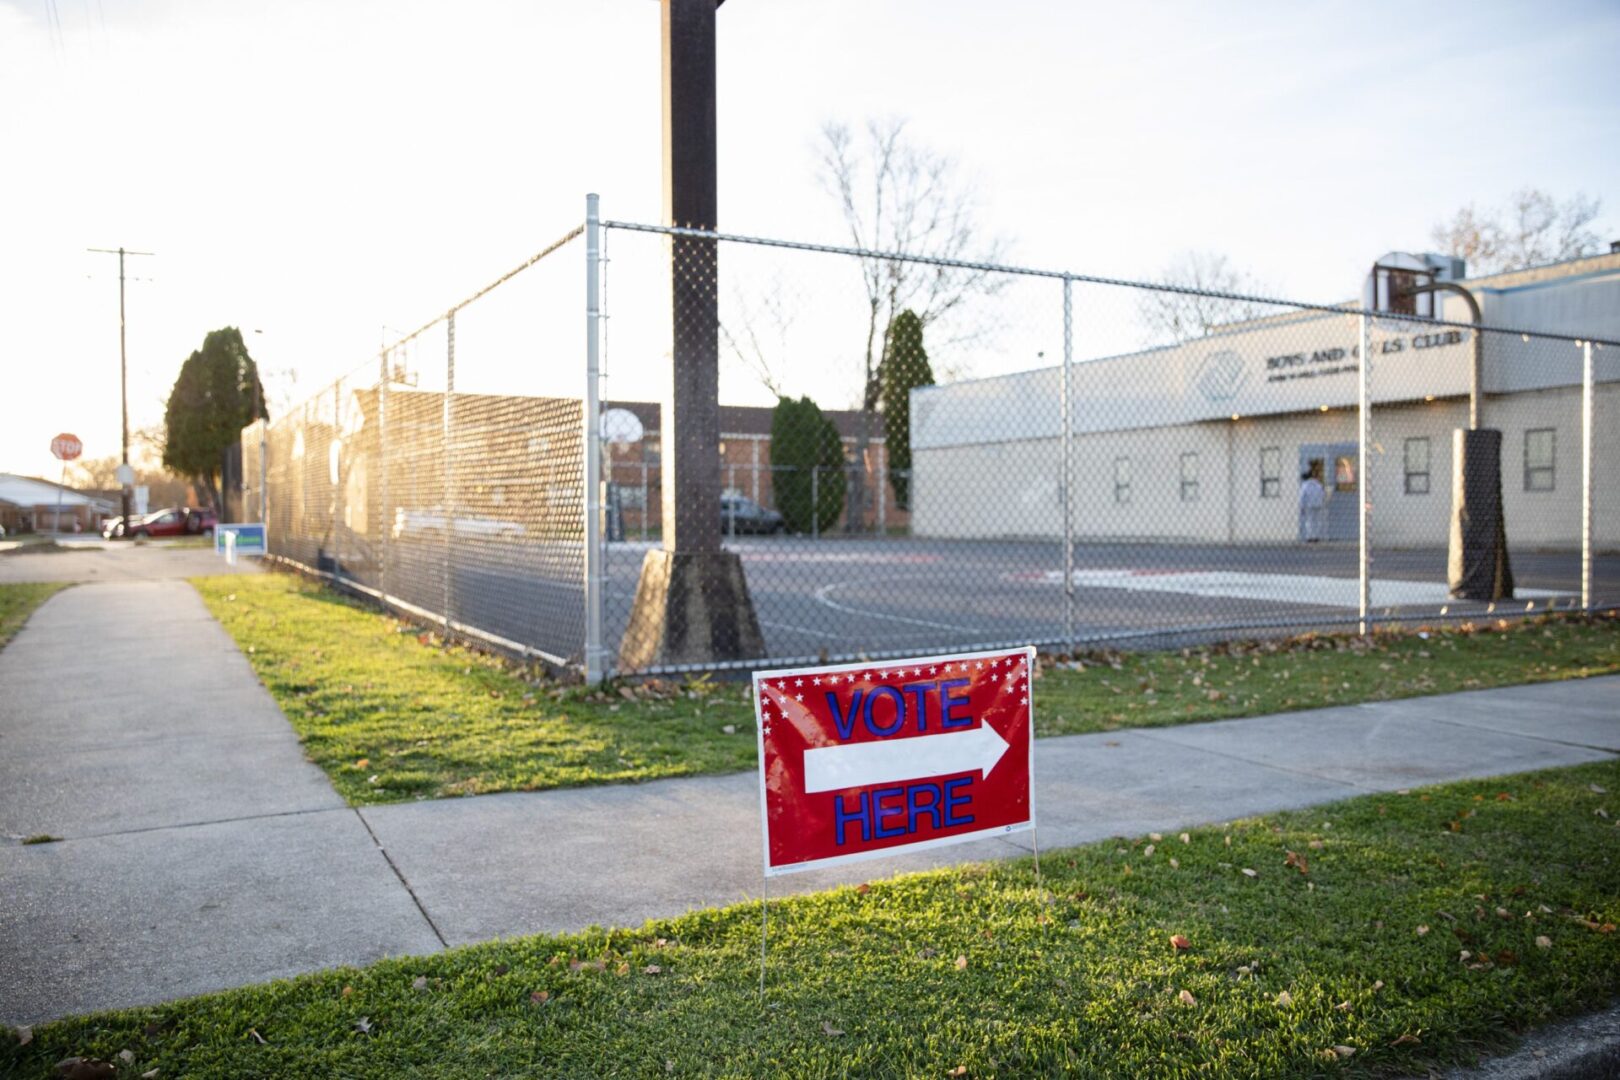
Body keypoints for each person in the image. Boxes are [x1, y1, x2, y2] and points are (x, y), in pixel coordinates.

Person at [1299, 469, 1326, 542]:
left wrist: (1302, 507)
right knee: (1317, 521)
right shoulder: (1318, 484)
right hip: (1318, 504)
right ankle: (1316, 536)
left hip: (1309, 505)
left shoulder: (1305, 485)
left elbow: (1302, 497)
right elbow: (1322, 494)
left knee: (1309, 521)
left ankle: (1310, 537)